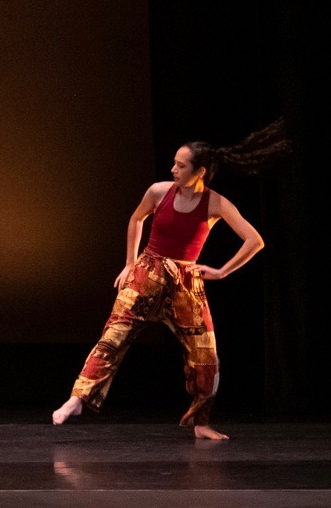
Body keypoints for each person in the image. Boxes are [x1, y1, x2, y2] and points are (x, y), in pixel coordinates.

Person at [52, 119, 291, 440]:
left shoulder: (216, 203)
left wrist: (222, 271)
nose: (173, 169)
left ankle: (200, 422)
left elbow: (255, 240)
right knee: (113, 337)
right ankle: (77, 400)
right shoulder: (158, 191)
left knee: (206, 355)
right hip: (147, 273)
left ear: (200, 172)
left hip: (185, 283)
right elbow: (137, 219)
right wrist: (129, 263)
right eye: (175, 164)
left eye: (181, 165)